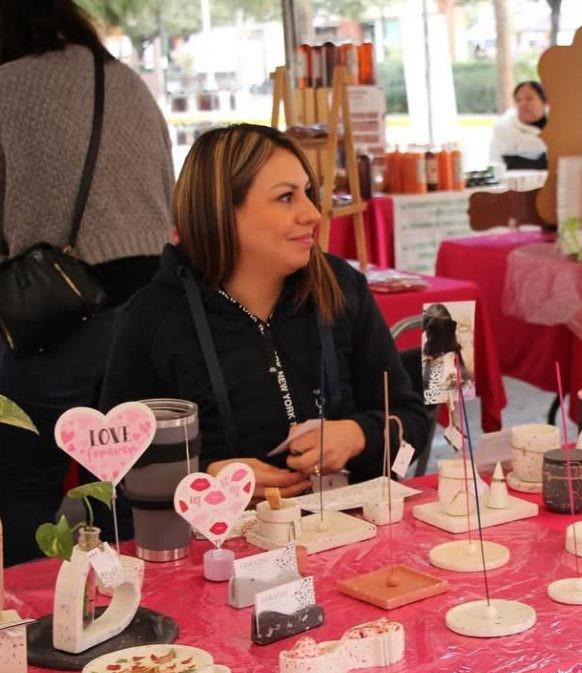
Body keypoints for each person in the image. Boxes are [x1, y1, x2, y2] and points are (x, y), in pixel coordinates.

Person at [0, 0, 173, 566]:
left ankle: (32, 621)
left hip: (55, 324)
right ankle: (139, 609)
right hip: (151, 313)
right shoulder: (127, 82)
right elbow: (168, 193)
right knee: (131, 482)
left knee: (29, 484)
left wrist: (6, 282)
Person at [101, 124, 428, 495]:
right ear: (221, 211)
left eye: (307, 193)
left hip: (350, 533)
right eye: (286, 197)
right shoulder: (151, 320)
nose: (312, 214)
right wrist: (206, 479)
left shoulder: (339, 287)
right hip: (219, 547)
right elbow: (116, 469)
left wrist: (358, 436)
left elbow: (411, 421)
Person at [488, 81, 548, 171]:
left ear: (544, 102)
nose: (523, 104)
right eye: (518, 100)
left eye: (529, 99)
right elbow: (495, 163)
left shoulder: (558, 125)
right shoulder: (504, 129)